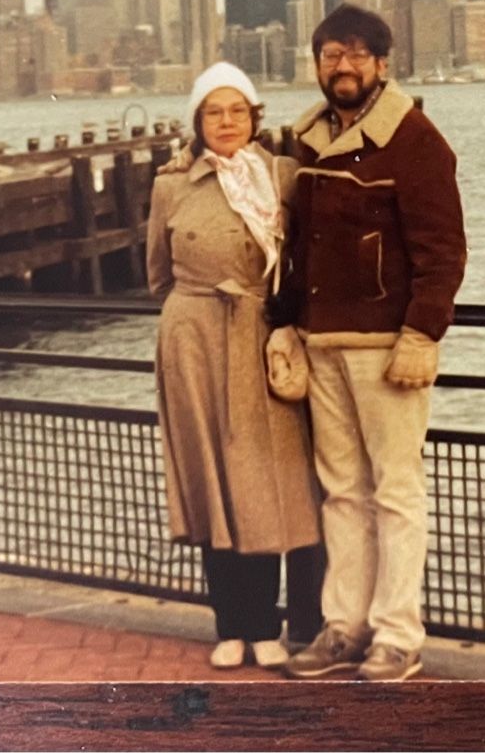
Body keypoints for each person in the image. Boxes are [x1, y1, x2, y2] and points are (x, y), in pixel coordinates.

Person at [273, 5, 467, 683]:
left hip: (387, 347)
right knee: (342, 494)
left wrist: (422, 332)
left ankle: (397, 633)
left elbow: (444, 252)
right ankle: (343, 626)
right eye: (330, 54)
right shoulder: (307, 142)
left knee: (396, 492)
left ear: (382, 63)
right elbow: (296, 247)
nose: (342, 66)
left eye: (356, 54)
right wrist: (284, 323)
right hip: (321, 342)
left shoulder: (416, 141)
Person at [148, 61, 325, 669]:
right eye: (213, 112)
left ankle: (267, 626)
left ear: (255, 118)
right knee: (212, 482)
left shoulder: (283, 177)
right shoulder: (170, 185)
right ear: (197, 123)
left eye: (237, 111)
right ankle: (229, 625)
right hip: (193, 343)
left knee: (264, 483)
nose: (226, 122)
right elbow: (156, 273)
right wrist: (191, 321)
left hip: (260, 339)